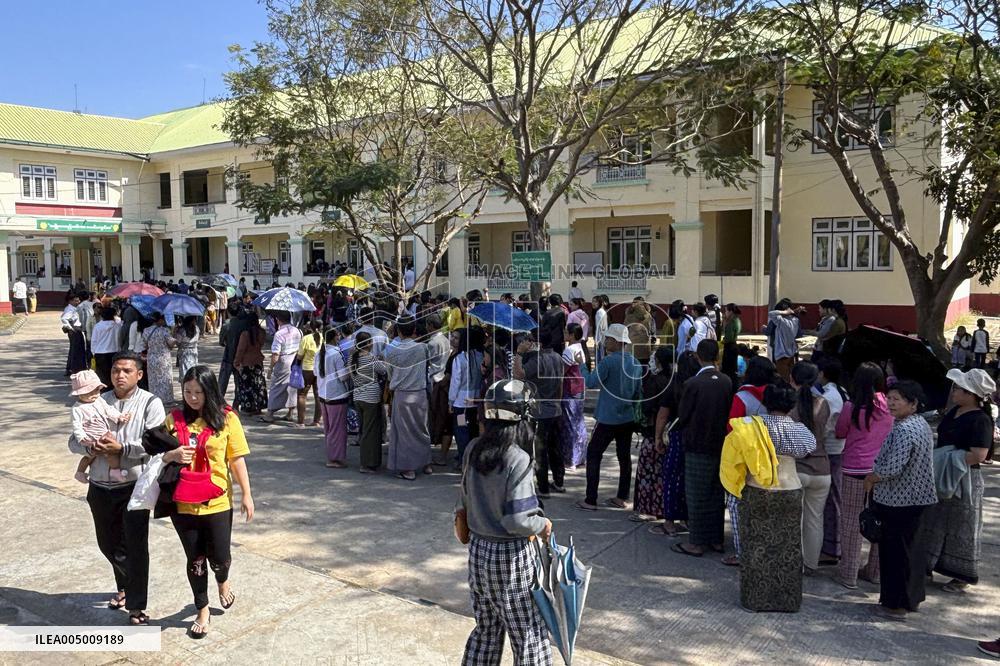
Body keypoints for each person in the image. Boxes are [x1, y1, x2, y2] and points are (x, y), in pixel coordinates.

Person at [458, 379, 553, 665]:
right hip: (510, 558)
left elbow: (463, 502)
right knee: (529, 636)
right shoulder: (518, 459)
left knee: (486, 632)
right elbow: (518, 520)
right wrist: (543, 525)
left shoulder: (473, 449)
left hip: (478, 553)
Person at [68, 351, 165, 626]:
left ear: (139, 375)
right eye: (114, 371)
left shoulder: (150, 403)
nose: (119, 376)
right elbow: (72, 441)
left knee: (135, 547)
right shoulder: (95, 400)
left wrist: (122, 449)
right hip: (99, 485)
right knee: (108, 544)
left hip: (134, 486)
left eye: (126, 371)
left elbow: (155, 445)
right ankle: (124, 585)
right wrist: (90, 446)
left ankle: (136, 606)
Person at [161, 366, 253, 638]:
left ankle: (222, 581)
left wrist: (247, 494)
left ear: (210, 391)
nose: (192, 397)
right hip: (183, 503)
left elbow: (236, 460)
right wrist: (172, 454)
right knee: (195, 559)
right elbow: (157, 453)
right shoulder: (174, 419)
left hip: (217, 503)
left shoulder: (227, 420)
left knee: (220, 558)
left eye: (198, 392)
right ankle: (202, 608)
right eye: (187, 391)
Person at [723, 383, 817, 612]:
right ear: (791, 404)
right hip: (790, 488)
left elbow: (736, 452)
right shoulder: (801, 430)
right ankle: (787, 600)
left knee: (756, 545)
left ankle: (755, 599)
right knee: (789, 546)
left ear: (766, 402)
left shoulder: (750, 428)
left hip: (756, 488)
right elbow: (809, 448)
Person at [918, 368, 995, 592]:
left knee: (962, 527)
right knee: (933, 520)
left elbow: (978, 454)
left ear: (971, 394)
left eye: (958, 388)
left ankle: (961, 575)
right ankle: (926, 566)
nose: (954, 391)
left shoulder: (981, 420)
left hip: (963, 478)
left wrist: (949, 459)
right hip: (943, 473)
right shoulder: (954, 412)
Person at [864, 380, 936, 621]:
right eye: (890, 398)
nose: (891, 403)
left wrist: (872, 478)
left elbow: (893, 466)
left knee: (895, 555)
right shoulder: (919, 424)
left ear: (913, 404)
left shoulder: (905, 429)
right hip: (915, 499)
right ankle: (910, 599)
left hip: (899, 501)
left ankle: (895, 605)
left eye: (898, 399)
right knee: (912, 553)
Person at [671, 340, 733, 557]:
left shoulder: (692, 384)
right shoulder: (727, 381)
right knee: (716, 493)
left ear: (698, 356)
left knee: (696, 494)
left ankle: (696, 541)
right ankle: (716, 539)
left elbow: (684, 415)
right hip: (721, 444)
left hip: (697, 445)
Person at [834, 362, 893, 589]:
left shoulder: (852, 406)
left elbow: (840, 431)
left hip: (854, 469)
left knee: (850, 520)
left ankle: (848, 573)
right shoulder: (890, 405)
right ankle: (875, 571)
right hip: (881, 471)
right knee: (880, 519)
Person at [576, 323, 642, 511]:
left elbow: (590, 382)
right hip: (627, 417)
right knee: (624, 457)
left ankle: (590, 499)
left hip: (607, 417)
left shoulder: (608, 362)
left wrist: (581, 365)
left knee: (594, 454)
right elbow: (638, 392)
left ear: (615, 341)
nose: (605, 343)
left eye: (608, 339)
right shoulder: (635, 362)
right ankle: (622, 496)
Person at [722, 355, 777, 565]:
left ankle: (742, 552)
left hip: (746, 458)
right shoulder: (775, 394)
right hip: (772, 457)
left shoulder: (743, 397)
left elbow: (731, 428)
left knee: (737, 505)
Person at [788, 361, 832, 574]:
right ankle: (811, 564)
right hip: (822, 468)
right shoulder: (823, 404)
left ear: (791, 379)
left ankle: (792, 562)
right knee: (815, 519)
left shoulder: (789, 404)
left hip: (796, 468)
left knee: (793, 520)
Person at [515, 329, 565, 497]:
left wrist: (519, 354)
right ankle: (559, 481)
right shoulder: (558, 357)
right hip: (555, 408)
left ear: (538, 343)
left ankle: (543, 488)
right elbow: (561, 384)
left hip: (540, 410)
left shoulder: (538, 360)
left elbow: (519, 374)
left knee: (541, 450)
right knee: (555, 447)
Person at [384, 316, 434, 480]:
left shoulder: (392, 351)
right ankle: (426, 463)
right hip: (419, 393)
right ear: (413, 330)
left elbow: (389, 374)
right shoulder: (423, 348)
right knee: (422, 429)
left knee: (404, 433)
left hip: (402, 394)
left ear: (398, 331)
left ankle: (408, 469)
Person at [631, 347, 674, 522]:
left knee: (649, 472)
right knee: (664, 474)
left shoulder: (654, 382)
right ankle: (665, 507)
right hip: (671, 432)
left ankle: (649, 508)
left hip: (654, 432)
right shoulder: (674, 380)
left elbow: (647, 408)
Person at [70, 370, 132, 484]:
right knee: (101, 453)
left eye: (97, 391)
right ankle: (114, 470)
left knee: (97, 454)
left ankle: (81, 473)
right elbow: (76, 425)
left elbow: (109, 410)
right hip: (91, 437)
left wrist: (119, 416)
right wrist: (82, 437)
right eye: (89, 393)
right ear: (79, 394)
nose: (94, 395)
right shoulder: (77, 409)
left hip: (103, 433)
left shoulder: (99, 400)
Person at [816, 358, 848, 565]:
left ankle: (832, 546)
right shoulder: (843, 392)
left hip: (831, 450)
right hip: (840, 448)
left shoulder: (829, 397)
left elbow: (826, 426)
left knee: (831, 499)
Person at [350, 331, 388, 472]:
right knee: (370, 432)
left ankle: (367, 461)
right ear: (367, 344)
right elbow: (383, 371)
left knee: (364, 430)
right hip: (371, 397)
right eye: (371, 342)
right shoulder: (370, 358)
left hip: (357, 396)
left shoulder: (352, 358)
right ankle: (368, 463)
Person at [316, 327, 351, 468]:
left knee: (329, 428)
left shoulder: (320, 353)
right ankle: (335, 458)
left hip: (323, 394)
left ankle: (331, 455)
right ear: (335, 336)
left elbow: (315, 372)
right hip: (336, 395)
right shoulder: (337, 354)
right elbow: (343, 376)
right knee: (338, 429)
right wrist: (350, 368)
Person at [448, 328, 483, 466]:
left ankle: (463, 459)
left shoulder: (460, 358)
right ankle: (472, 458)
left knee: (461, 430)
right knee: (474, 431)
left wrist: (451, 401)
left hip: (461, 403)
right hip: (475, 401)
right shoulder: (481, 356)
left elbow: (455, 381)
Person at [559, 323, 588, 470]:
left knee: (570, 424)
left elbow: (562, 372)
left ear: (571, 335)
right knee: (579, 423)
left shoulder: (569, 350)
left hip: (570, 389)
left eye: (566, 332)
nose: (564, 334)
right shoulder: (580, 348)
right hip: (579, 388)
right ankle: (581, 457)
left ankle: (571, 459)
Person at [263, 311, 301, 423]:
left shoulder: (279, 334)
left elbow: (275, 354)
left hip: (283, 360)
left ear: (279, 320)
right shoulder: (298, 331)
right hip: (294, 359)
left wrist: (270, 368)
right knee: (292, 386)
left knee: (276, 386)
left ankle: (270, 413)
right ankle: (290, 412)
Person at [139, 312, 177, 405]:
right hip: (164, 358)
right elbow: (171, 343)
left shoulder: (146, 330)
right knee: (165, 379)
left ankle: (154, 400)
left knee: (153, 380)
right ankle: (167, 400)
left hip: (151, 358)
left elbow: (143, 345)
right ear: (159, 320)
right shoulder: (164, 331)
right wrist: (174, 336)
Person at [233, 312, 267, 415]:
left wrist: (236, 362)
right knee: (258, 385)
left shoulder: (245, 334)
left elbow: (241, 350)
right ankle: (259, 406)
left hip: (246, 362)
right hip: (258, 361)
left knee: (247, 385)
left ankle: (249, 407)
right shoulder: (261, 332)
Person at [296, 320, 323, 427]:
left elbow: (299, 356)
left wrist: (297, 365)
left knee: (302, 395)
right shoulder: (324, 338)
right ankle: (316, 421)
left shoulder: (306, 338)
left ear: (310, 326)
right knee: (318, 396)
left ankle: (301, 422)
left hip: (307, 369)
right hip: (319, 370)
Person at [767, 298, 801, 380]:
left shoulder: (781, 321)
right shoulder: (795, 320)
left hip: (782, 354)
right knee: (791, 377)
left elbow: (771, 313)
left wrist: (785, 312)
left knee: (783, 378)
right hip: (792, 352)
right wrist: (792, 312)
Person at [91, 307, 123, 388]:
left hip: (100, 353)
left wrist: (93, 352)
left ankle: (104, 390)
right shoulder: (118, 326)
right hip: (114, 352)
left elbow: (94, 341)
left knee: (102, 375)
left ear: (102, 316)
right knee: (114, 374)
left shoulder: (98, 326)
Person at [62, 292, 88, 375]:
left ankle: (71, 367)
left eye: (79, 300)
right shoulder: (70, 309)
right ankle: (75, 368)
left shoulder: (74, 309)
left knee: (75, 349)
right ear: (70, 301)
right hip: (75, 330)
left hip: (76, 330)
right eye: (76, 301)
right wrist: (70, 328)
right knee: (76, 350)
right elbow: (64, 319)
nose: (78, 302)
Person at [174, 316, 200, 381]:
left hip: (184, 353)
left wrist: (175, 333)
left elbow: (177, 343)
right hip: (194, 351)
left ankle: (185, 389)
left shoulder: (181, 330)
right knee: (193, 372)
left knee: (184, 373)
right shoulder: (197, 328)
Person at [721, 304, 742, 382]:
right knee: (733, 368)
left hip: (730, 347)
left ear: (731, 312)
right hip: (733, 345)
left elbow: (729, 337)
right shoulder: (737, 320)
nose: (725, 313)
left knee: (728, 369)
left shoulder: (732, 322)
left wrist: (723, 341)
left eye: (726, 311)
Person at [592, 295, 609, 365]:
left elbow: (600, 328)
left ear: (600, 302)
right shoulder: (601, 311)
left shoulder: (599, 312)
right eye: (592, 301)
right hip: (603, 338)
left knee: (600, 360)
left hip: (601, 339)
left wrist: (597, 341)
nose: (593, 303)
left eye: (595, 301)